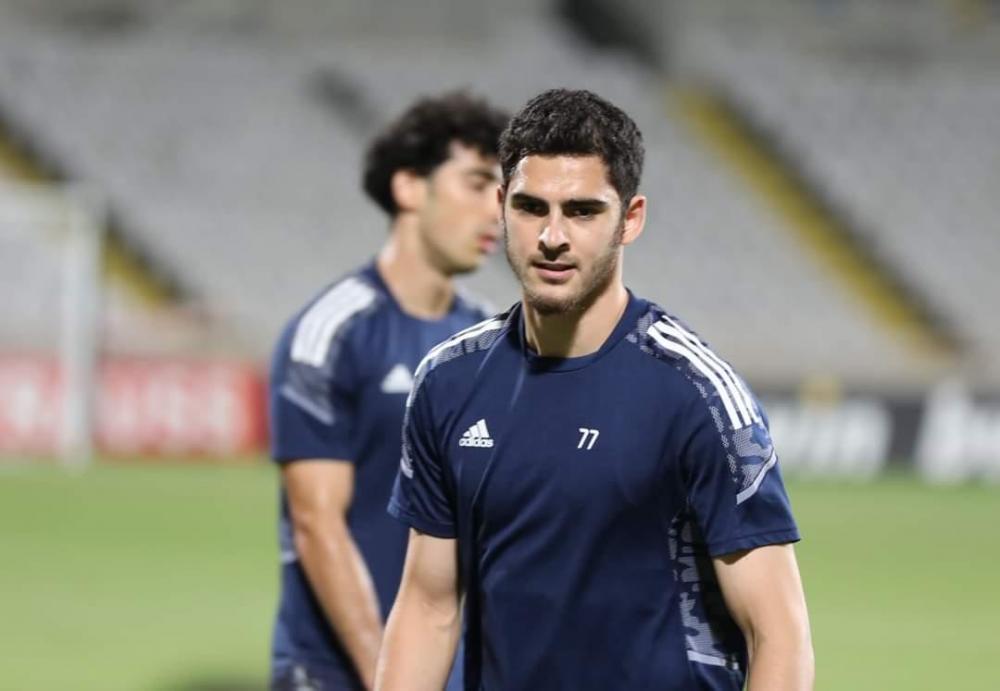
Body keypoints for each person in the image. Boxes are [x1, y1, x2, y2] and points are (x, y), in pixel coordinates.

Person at [377, 89, 814, 690]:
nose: (552, 236)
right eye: (531, 207)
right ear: (501, 206)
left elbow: (779, 636)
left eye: (582, 211)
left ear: (630, 219)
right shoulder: (448, 381)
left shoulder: (696, 394)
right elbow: (429, 607)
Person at [268, 91, 509, 691]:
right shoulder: (331, 333)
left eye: (502, 191)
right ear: (409, 188)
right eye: (477, 184)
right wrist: (388, 675)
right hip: (334, 671)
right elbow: (316, 523)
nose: (497, 211)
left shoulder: (493, 343)